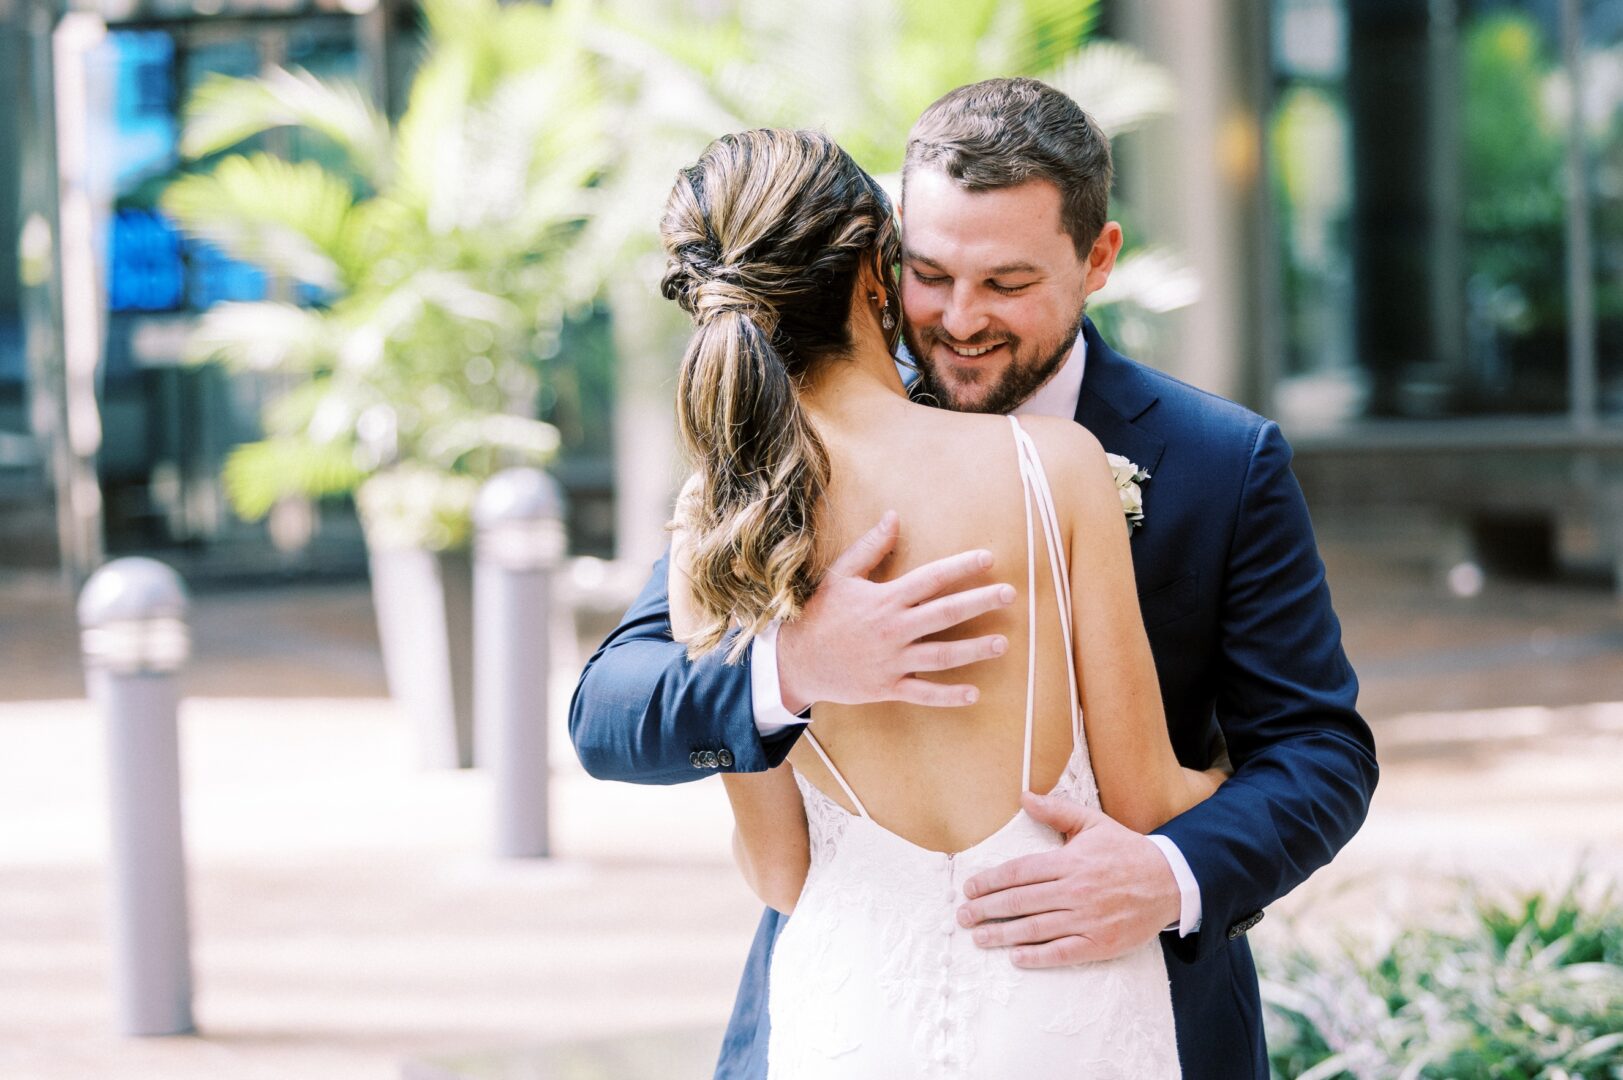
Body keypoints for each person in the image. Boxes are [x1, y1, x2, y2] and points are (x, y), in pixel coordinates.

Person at [571, 78, 1378, 1080]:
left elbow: (1319, 752)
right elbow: (609, 710)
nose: (957, 320)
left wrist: (1173, 871)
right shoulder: (755, 479)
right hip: (844, 1006)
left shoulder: (1223, 460)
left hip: (1111, 985)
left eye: (1006, 284)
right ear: (887, 255)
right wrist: (794, 664)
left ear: (1098, 261)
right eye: (934, 273)